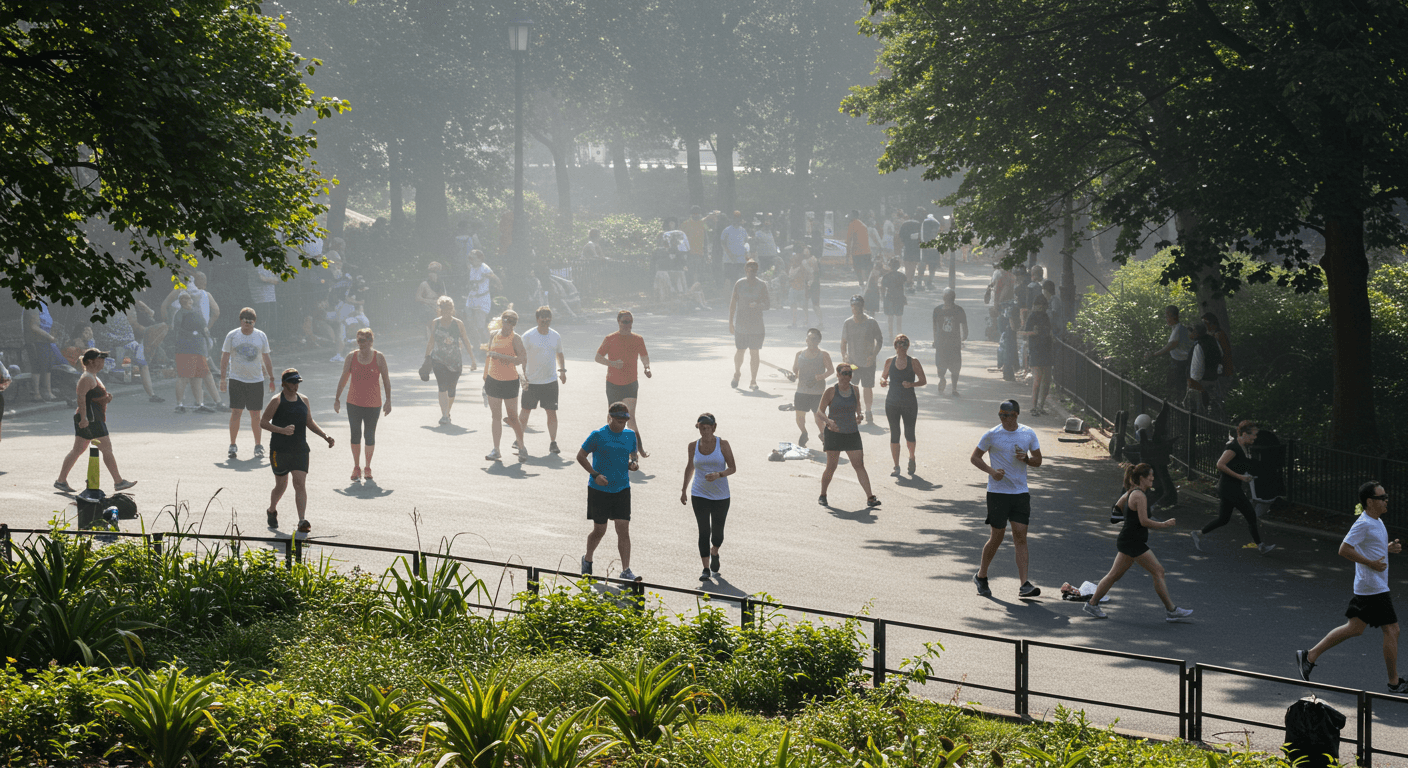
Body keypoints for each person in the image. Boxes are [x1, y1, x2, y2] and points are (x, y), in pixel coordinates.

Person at [1296, 481, 1407, 693]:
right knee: (1392, 630)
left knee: (1355, 628)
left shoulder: (1377, 521)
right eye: (1382, 497)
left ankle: (1308, 656)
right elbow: (1344, 549)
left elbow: (1370, 546)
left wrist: (1387, 548)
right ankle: (1394, 682)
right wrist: (1371, 563)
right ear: (1369, 501)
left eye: (1386, 496)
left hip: (1370, 586)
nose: (1386, 500)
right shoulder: (1363, 523)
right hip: (1373, 586)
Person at [1083, 463, 1195, 621]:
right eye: (1150, 475)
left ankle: (1092, 604)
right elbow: (1144, 521)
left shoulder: (1131, 492)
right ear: (1142, 478)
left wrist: (1124, 518)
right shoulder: (1140, 495)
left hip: (1128, 540)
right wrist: (1165, 524)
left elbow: (1116, 509)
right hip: (1133, 542)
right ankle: (1171, 610)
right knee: (1158, 571)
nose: (1153, 478)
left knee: (1114, 575)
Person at [969, 399, 1043, 598]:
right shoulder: (992, 434)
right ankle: (981, 576)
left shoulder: (1028, 433)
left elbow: (1038, 460)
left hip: (1020, 493)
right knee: (997, 536)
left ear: (1017, 415)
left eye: (1008, 415)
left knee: (1020, 536)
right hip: (997, 493)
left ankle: (1024, 584)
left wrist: (1026, 459)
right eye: (1001, 415)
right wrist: (992, 472)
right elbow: (975, 457)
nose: (1004, 419)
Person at [260, 369, 334, 532]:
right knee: (281, 485)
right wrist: (282, 430)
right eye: (293, 382)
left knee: (300, 483)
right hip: (280, 449)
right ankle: (272, 510)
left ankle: (301, 520)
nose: (296, 385)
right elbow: (263, 422)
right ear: (285, 383)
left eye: (297, 382)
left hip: (300, 448)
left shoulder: (304, 400)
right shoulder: (277, 401)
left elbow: (309, 421)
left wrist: (325, 435)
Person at [54, 349, 137, 493]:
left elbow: (92, 398)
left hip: (92, 417)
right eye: (100, 359)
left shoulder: (93, 376)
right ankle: (118, 481)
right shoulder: (86, 378)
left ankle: (61, 481)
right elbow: (81, 399)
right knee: (106, 449)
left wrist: (105, 399)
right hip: (91, 419)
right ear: (91, 361)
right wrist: (84, 418)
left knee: (78, 450)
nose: (103, 362)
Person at [577, 401, 643, 581]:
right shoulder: (598, 435)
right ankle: (588, 559)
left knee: (623, 530)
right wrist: (595, 474)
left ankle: (626, 570)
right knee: (600, 530)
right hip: (599, 489)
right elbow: (580, 456)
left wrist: (633, 464)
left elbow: (632, 457)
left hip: (622, 489)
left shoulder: (630, 436)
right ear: (611, 418)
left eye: (625, 421)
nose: (623, 424)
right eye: (619, 421)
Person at [1190, 420, 1276, 554]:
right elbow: (1220, 464)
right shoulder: (1233, 448)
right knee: (1250, 515)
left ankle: (1198, 533)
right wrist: (1240, 477)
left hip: (1229, 488)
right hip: (1229, 488)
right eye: (1253, 434)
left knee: (1223, 519)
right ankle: (1261, 546)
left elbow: (1241, 464)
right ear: (1244, 434)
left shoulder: (1243, 447)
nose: (1255, 437)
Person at [679, 413, 737, 582]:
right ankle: (705, 568)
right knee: (704, 531)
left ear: (713, 427)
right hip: (699, 493)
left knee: (717, 533)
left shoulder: (723, 444)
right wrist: (684, 489)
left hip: (721, 495)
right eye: (701, 428)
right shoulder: (693, 446)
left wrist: (719, 474)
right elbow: (690, 467)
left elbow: (732, 468)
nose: (704, 431)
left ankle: (714, 551)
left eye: (707, 428)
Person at [815, 363, 880, 508]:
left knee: (859, 465)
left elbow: (858, 408)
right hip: (834, 433)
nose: (847, 376)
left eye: (850, 373)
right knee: (831, 466)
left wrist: (859, 416)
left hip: (851, 433)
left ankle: (870, 497)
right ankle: (823, 494)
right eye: (844, 373)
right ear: (837, 375)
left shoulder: (855, 390)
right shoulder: (831, 391)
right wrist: (828, 421)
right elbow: (819, 412)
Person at [333, 328, 391, 481]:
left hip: (373, 403)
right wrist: (337, 398)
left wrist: (389, 400)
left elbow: (386, 379)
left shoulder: (379, 357)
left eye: (364, 341)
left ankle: (368, 467)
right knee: (355, 434)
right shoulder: (351, 357)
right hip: (353, 402)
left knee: (369, 435)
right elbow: (344, 377)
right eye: (358, 341)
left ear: (371, 341)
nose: (361, 344)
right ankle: (356, 467)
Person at [220, 307, 276, 460]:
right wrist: (223, 378)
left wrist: (271, 378)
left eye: (250, 324)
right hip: (236, 379)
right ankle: (232, 444)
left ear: (254, 323)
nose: (248, 326)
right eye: (245, 323)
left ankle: (258, 445)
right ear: (241, 321)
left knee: (256, 414)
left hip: (255, 380)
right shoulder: (232, 336)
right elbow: (225, 357)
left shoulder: (260, 336)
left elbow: (266, 358)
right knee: (236, 412)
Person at [595, 310, 652, 458]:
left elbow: (644, 356)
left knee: (630, 417)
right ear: (619, 323)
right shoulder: (610, 338)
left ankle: (637, 450)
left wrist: (647, 367)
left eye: (630, 322)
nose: (628, 325)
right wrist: (612, 363)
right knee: (612, 417)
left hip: (631, 383)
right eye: (625, 322)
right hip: (613, 383)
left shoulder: (638, 339)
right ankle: (609, 447)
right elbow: (598, 357)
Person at [518, 306, 567, 456]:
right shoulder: (528, 336)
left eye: (548, 318)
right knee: (525, 411)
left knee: (551, 412)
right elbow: (522, 355)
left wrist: (562, 371)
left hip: (550, 381)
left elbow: (560, 354)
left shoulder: (555, 336)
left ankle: (553, 442)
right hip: (531, 381)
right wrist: (523, 374)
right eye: (542, 318)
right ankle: (518, 439)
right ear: (537, 319)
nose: (545, 320)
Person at [425, 296, 479, 426]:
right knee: (442, 387)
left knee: (451, 390)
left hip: (455, 361)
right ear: (440, 309)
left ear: (453, 309)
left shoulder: (458, 323)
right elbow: (431, 340)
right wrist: (427, 359)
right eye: (444, 309)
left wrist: (473, 359)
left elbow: (465, 340)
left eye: (449, 308)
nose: (447, 311)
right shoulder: (435, 322)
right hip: (438, 359)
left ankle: (447, 412)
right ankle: (444, 415)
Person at [96, 306, 167, 403]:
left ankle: (152, 394)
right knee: (109, 369)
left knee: (143, 366)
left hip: (129, 343)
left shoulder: (120, 310)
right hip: (118, 344)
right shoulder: (107, 313)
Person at [483, 309, 527, 462]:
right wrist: (485, 377)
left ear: (515, 324)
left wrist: (501, 356)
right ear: (502, 319)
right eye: (507, 319)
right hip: (493, 379)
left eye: (513, 321)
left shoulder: (516, 338)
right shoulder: (494, 334)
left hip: (509, 381)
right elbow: (489, 356)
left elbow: (520, 359)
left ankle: (521, 447)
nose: (509, 323)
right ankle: (496, 450)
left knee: (513, 417)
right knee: (496, 416)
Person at [880, 334, 927, 476]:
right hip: (892, 401)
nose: (901, 347)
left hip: (909, 402)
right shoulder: (889, 361)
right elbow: (884, 376)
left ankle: (912, 457)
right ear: (895, 346)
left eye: (904, 344)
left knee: (909, 433)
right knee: (894, 433)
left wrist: (911, 384)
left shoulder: (913, 361)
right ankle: (896, 466)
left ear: (908, 346)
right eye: (899, 344)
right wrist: (882, 381)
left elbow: (923, 380)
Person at [839, 295, 884, 424]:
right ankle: (853, 411)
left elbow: (879, 340)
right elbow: (843, 342)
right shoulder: (848, 323)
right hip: (853, 362)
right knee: (852, 387)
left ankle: (868, 411)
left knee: (867, 386)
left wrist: (873, 355)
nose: (855, 309)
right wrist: (844, 356)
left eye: (857, 306)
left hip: (868, 361)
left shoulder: (871, 322)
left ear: (862, 307)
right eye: (853, 306)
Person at [729, 260, 771, 390]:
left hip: (756, 325)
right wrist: (730, 322)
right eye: (748, 269)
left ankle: (753, 380)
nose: (751, 272)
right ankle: (737, 373)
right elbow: (733, 304)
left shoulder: (762, 285)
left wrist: (757, 306)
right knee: (740, 351)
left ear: (757, 271)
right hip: (741, 323)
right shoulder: (739, 284)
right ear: (745, 270)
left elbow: (767, 305)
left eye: (753, 270)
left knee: (754, 352)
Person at [791, 328, 834, 448]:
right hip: (801, 390)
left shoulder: (823, 355)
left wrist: (821, 376)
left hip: (817, 392)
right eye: (809, 338)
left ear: (819, 341)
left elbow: (831, 370)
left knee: (818, 417)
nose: (811, 341)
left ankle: (823, 434)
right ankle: (804, 433)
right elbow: (795, 370)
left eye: (814, 339)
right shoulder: (799, 354)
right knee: (799, 416)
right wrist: (793, 375)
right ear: (806, 339)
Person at [172, 292, 213, 413]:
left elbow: (203, 328)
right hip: (185, 348)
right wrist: (190, 334)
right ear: (181, 302)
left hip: (198, 348)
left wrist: (207, 340)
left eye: (189, 299)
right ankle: (179, 405)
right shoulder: (180, 314)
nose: (188, 301)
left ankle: (200, 404)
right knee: (184, 376)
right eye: (185, 299)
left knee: (198, 376)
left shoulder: (195, 312)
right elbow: (177, 330)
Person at [1145, 305, 1191, 401]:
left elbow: (1171, 346)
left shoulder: (1178, 329)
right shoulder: (1176, 328)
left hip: (1181, 363)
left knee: (1179, 387)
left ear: (1175, 316)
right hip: (1178, 362)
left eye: (1168, 316)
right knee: (1174, 384)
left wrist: (1154, 354)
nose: (1166, 319)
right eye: (1166, 316)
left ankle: (1180, 405)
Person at [1020, 295, 1054, 415]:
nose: (1044, 309)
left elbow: (1049, 330)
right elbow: (1024, 333)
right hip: (1036, 350)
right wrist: (1033, 332)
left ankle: (1041, 406)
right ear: (1040, 306)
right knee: (1037, 380)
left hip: (1047, 349)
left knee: (1047, 381)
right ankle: (1034, 407)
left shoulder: (1045, 316)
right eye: (1043, 306)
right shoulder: (1032, 316)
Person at [23, 299, 62, 401]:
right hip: (35, 341)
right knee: (38, 367)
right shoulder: (32, 305)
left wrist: (51, 336)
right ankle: (36, 394)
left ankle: (48, 392)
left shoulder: (44, 305)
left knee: (47, 366)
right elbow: (33, 326)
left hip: (45, 341)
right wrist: (50, 337)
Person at [932, 288, 968, 396]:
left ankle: (942, 378)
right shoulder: (959, 310)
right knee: (955, 366)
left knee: (940, 364)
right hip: (954, 342)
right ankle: (954, 388)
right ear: (954, 298)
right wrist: (964, 337)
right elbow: (965, 326)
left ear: (943, 298)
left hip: (941, 342)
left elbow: (935, 328)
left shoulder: (937, 310)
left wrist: (935, 340)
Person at [464, 250, 501, 350]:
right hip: (471, 299)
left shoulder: (484, 268)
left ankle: (490, 345)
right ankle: (477, 345)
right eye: (470, 258)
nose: (471, 261)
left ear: (480, 259)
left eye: (473, 258)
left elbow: (496, 279)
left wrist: (498, 288)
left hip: (482, 299)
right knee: (470, 323)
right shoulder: (472, 267)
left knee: (480, 325)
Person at [1186, 322, 1224, 417]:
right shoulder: (1213, 340)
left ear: (1196, 333)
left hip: (1201, 382)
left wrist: (1193, 383)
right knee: (1214, 403)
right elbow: (1221, 355)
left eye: (1192, 331)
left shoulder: (1199, 346)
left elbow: (1196, 370)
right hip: (1214, 378)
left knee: (1199, 409)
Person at [415, 262, 450, 327]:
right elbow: (418, 298)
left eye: (436, 273)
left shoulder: (441, 283)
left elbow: (444, 297)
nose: (433, 274)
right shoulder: (424, 284)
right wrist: (429, 301)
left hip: (438, 306)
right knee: (430, 315)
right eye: (432, 272)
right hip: (428, 306)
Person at [720, 211, 750, 286]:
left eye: (738, 219)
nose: (736, 221)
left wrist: (746, 256)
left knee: (741, 280)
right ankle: (728, 296)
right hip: (729, 261)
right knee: (729, 280)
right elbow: (723, 243)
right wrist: (729, 254)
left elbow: (746, 242)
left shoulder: (743, 230)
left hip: (741, 260)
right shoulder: (726, 230)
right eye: (735, 218)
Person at [880, 257, 907, 337]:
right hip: (899, 297)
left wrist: (882, 297)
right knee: (899, 318)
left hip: (889, 297)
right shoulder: (902, 276)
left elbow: (883, 288)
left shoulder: (886, 276)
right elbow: (904, 287)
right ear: (898, 266)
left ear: (890, 266)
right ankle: (899, 335)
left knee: (890, 318)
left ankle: (891, 336)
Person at [846, 210, 873, 287]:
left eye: (850, 215)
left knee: (857, 268)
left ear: (853, 216)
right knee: (867, 267)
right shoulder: (863, 224)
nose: (848, 217)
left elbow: (849, 239)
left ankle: (861, 282)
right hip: (867, 250)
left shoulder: (852, 224)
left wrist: (848, 253)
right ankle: (868, 282)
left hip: (857, 251)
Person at [897, 211, 922, 290]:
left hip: (907, 246)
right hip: (916, 247)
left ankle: (907, 280)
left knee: (907, 264)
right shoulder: (919, 224)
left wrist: (904, 242)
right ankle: (911, 280)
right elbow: (921, 236)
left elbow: (900, 236)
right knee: (913, 264)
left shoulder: (904, 224)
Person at [919, 209, 943, 291]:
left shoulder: (924, 223)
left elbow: (921, 236)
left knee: (922, 264)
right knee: (932, 266)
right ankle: (930, 282)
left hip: (925, 246)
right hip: (934, 248)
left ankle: (919, 282)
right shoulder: (936, 223)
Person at [804, 245, 823, 328]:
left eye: (807, 249)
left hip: (813, 284)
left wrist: (810, 283)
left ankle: (820, 322)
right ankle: (807, 321)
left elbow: (814, 272)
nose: (805, 250)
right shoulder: (809, 260)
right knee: (806, 303)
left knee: (815, 304)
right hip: (810, 283)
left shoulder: (812, 260)